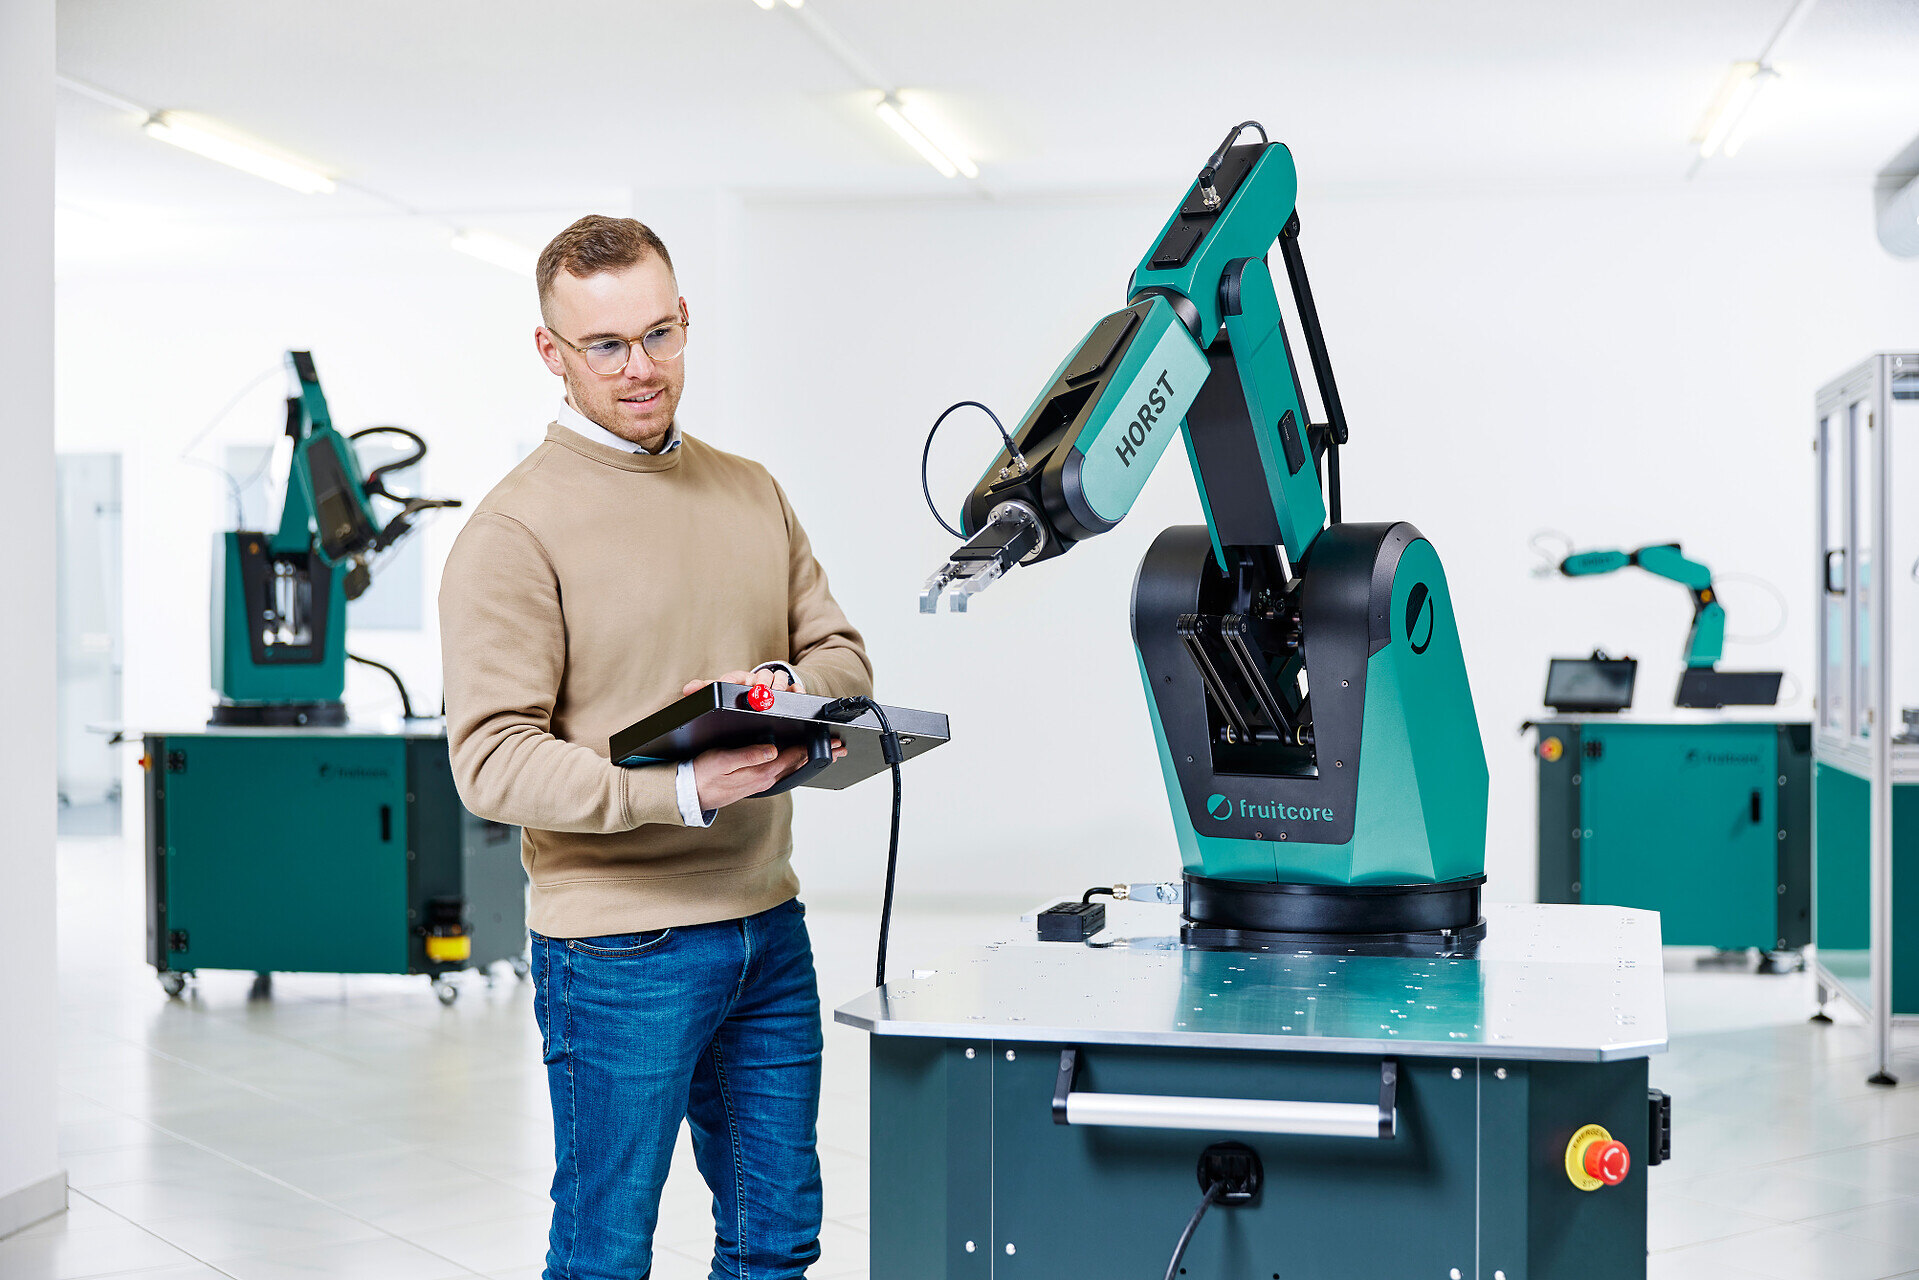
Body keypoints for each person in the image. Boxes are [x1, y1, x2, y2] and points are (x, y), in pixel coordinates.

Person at [438, 214, 871, 1280]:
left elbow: (841, 655)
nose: (642, 369)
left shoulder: (750, 488)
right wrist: (675, 788)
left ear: (685, 321)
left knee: (776, 1239)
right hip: (617, 948)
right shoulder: (513, 531)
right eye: (606, 346)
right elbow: (490, 759)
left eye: (660, 334)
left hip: (766, 926)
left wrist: (785, 694)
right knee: (604, 1250)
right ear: (552, 352)